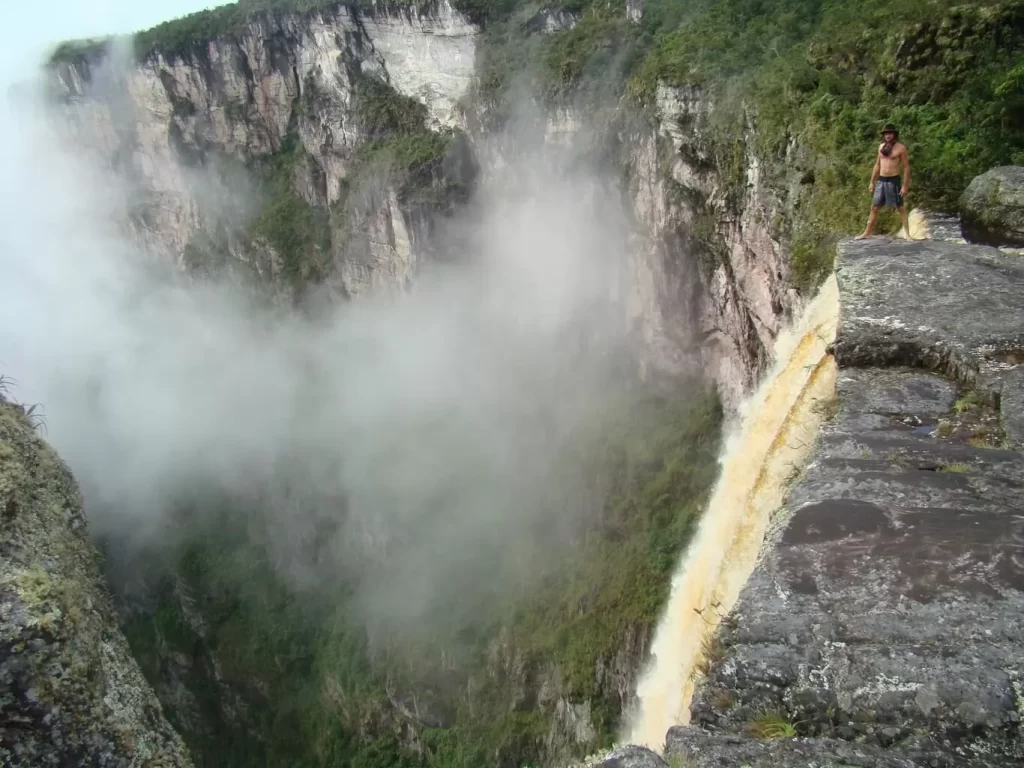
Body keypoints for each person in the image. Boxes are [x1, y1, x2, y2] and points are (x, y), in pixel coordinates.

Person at [855, 123, 917, 240]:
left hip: (894, 180)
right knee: (874, 207)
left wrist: (905, 186)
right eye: (886, 134)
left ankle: (908, 234)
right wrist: (872, 182)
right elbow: (877, 165)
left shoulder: (901, 148)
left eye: (890, 133)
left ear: (894, 134)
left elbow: (906, 167)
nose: (888, 135)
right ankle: (867, 232)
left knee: (900, 207)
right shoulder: (881, 147)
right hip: (881, 179)